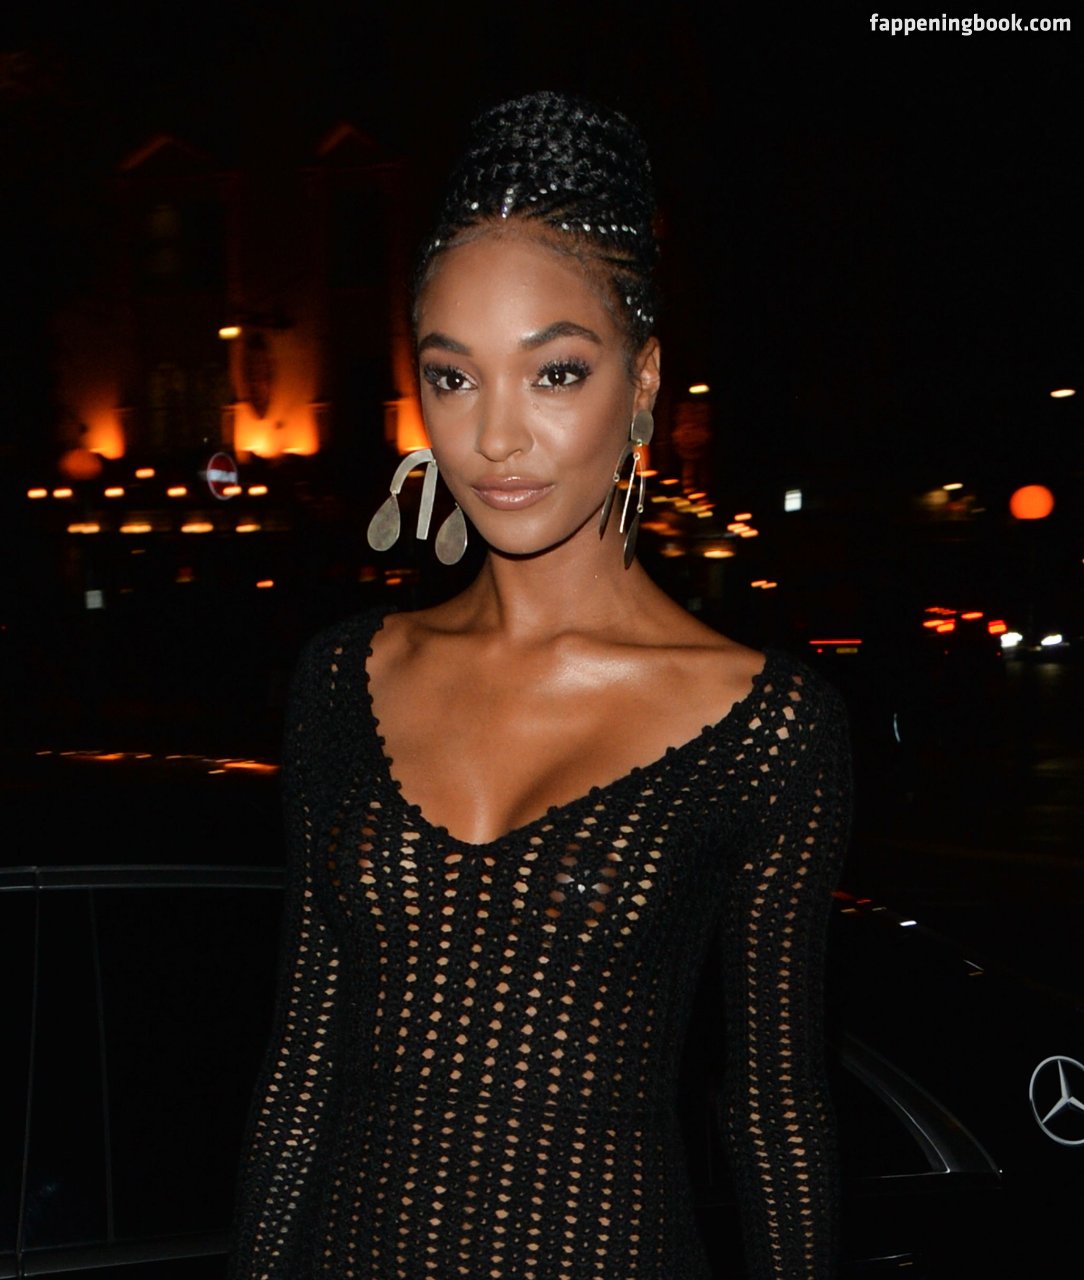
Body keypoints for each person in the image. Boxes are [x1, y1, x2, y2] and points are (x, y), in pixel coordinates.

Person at [226, 90, 850, 1280]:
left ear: (643, 381)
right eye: (452, 376)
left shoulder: (765, 725)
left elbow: (775, 1117)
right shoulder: (342, 677)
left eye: (554, 372)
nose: (495, 437)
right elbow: (300, 1075)